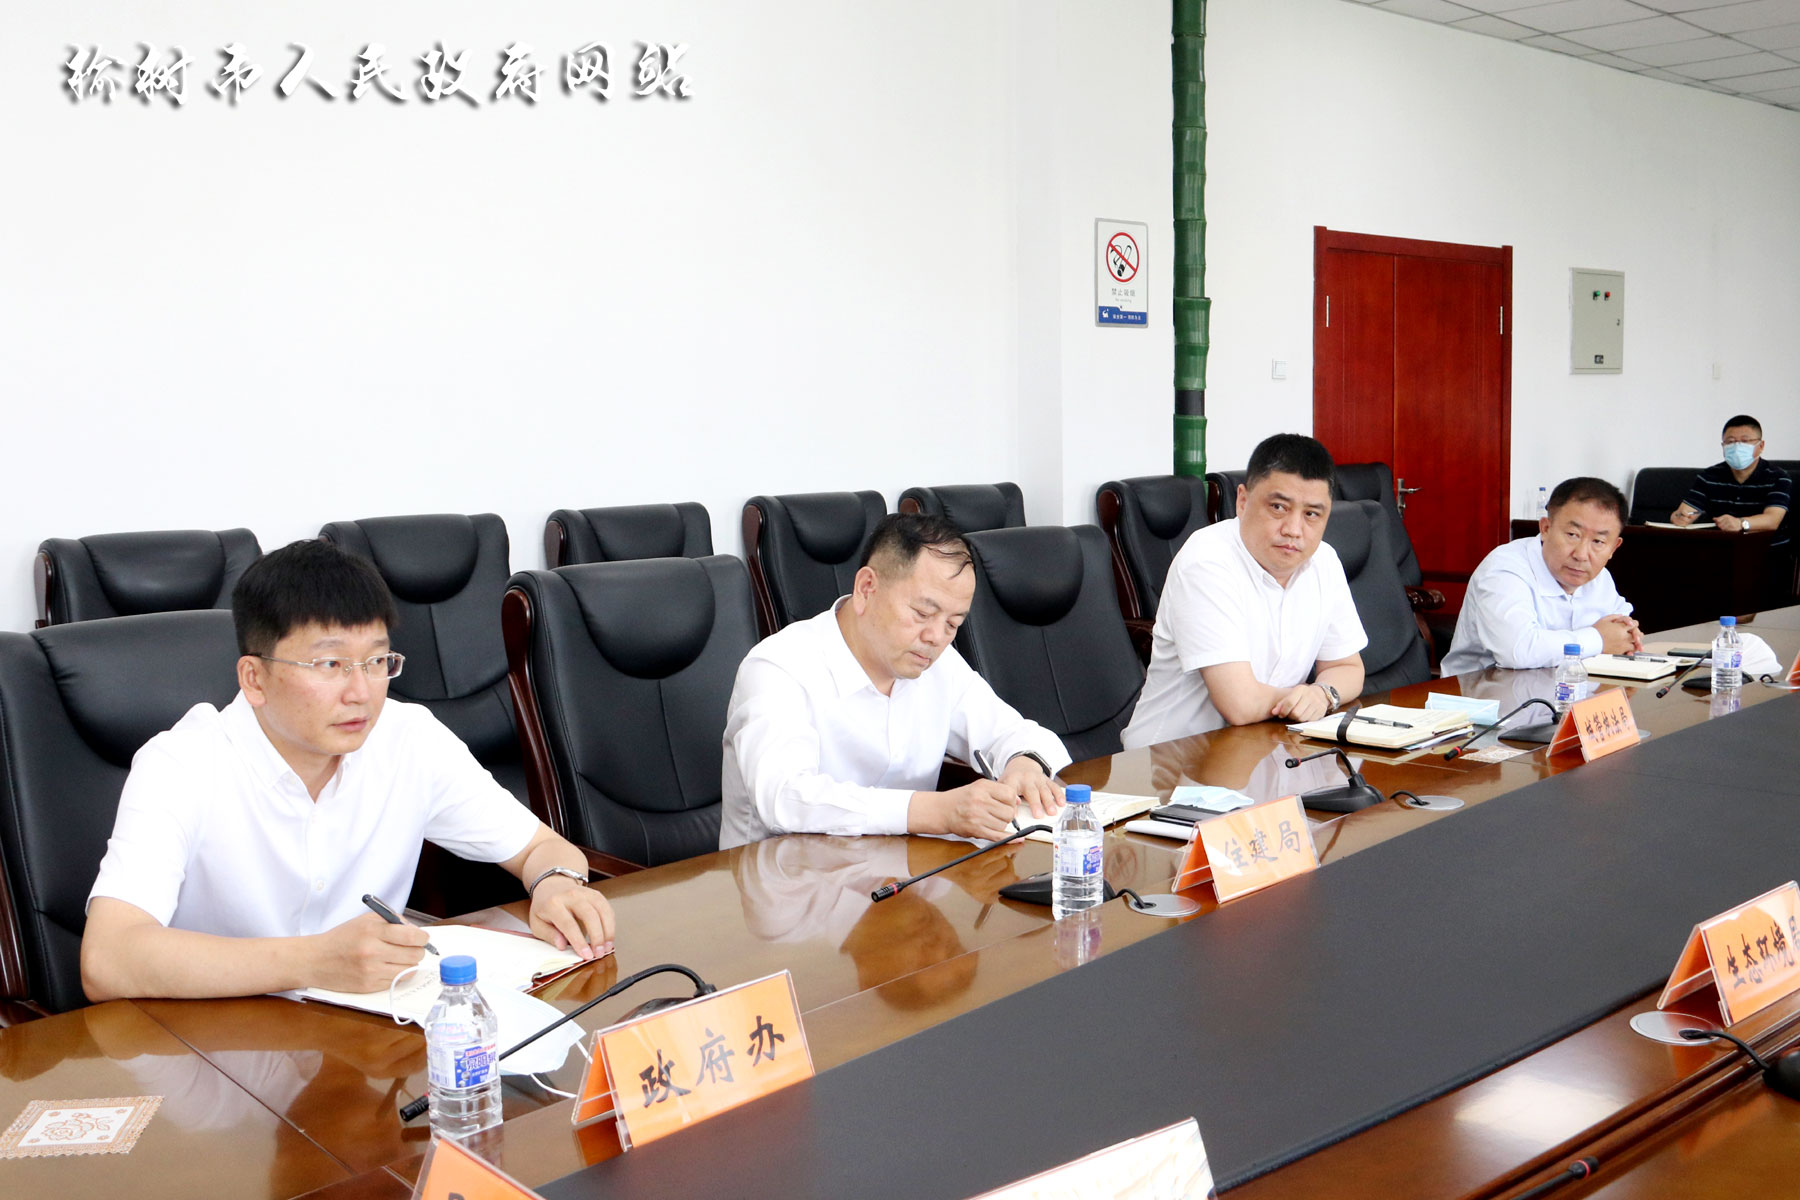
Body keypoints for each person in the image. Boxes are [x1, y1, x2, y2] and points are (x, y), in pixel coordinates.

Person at [81, 539, 615, 1003]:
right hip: (215, 1047)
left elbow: (542, 848)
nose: (361, 692)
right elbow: (107, 959)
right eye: (329, 664)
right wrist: (313, 962)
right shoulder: (182, 764)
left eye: (377, 661)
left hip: (369, 1042)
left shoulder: (409, 738)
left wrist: (556, 884)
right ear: (254, 679)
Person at [720, 513, 1070, 849]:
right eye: (923, 613)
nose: (936, 637)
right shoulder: (778, 668)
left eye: (953, 624)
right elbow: (785, 797)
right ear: (867, 588)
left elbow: (1015, 732)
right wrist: (935, 811)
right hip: (785, 879)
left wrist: (1024, 762)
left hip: (903, 873)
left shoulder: (938, 664)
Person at [1122, 433, 1367, 748]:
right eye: (1278, 507)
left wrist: (1322, 694)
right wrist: (1301, 700)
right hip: (1171, 758)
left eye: (1311, 514)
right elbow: (1239, 703)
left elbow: (1348, 668)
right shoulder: (1207, 562)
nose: (1294, 530)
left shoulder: (1324, 561)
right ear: (1242, 501)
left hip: (1263, 745)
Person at [1441, 477, 1642, 674]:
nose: (1581, 555)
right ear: (1545, 528)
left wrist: (1628, 637)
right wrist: (1598, 639)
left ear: (1613, 548)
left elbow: (1623, 631)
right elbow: (1517, 651)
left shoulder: (1600, 578)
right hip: (1479, 690)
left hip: (1561, 688)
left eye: (1598, 541)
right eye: (1572, 535)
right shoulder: (1504, 569)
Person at [1668, 414, 1790, 549]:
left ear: (1761, 446)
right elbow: (1684, 511)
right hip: (1721, 550)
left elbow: (1772, 520)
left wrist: (1741, 523)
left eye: (1745, 441)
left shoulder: (1778, 477)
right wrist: (1679, 517)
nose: (1737, 447)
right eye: (1730, 442)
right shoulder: (1709, 476)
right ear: (1723, 446)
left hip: (1766, 551)